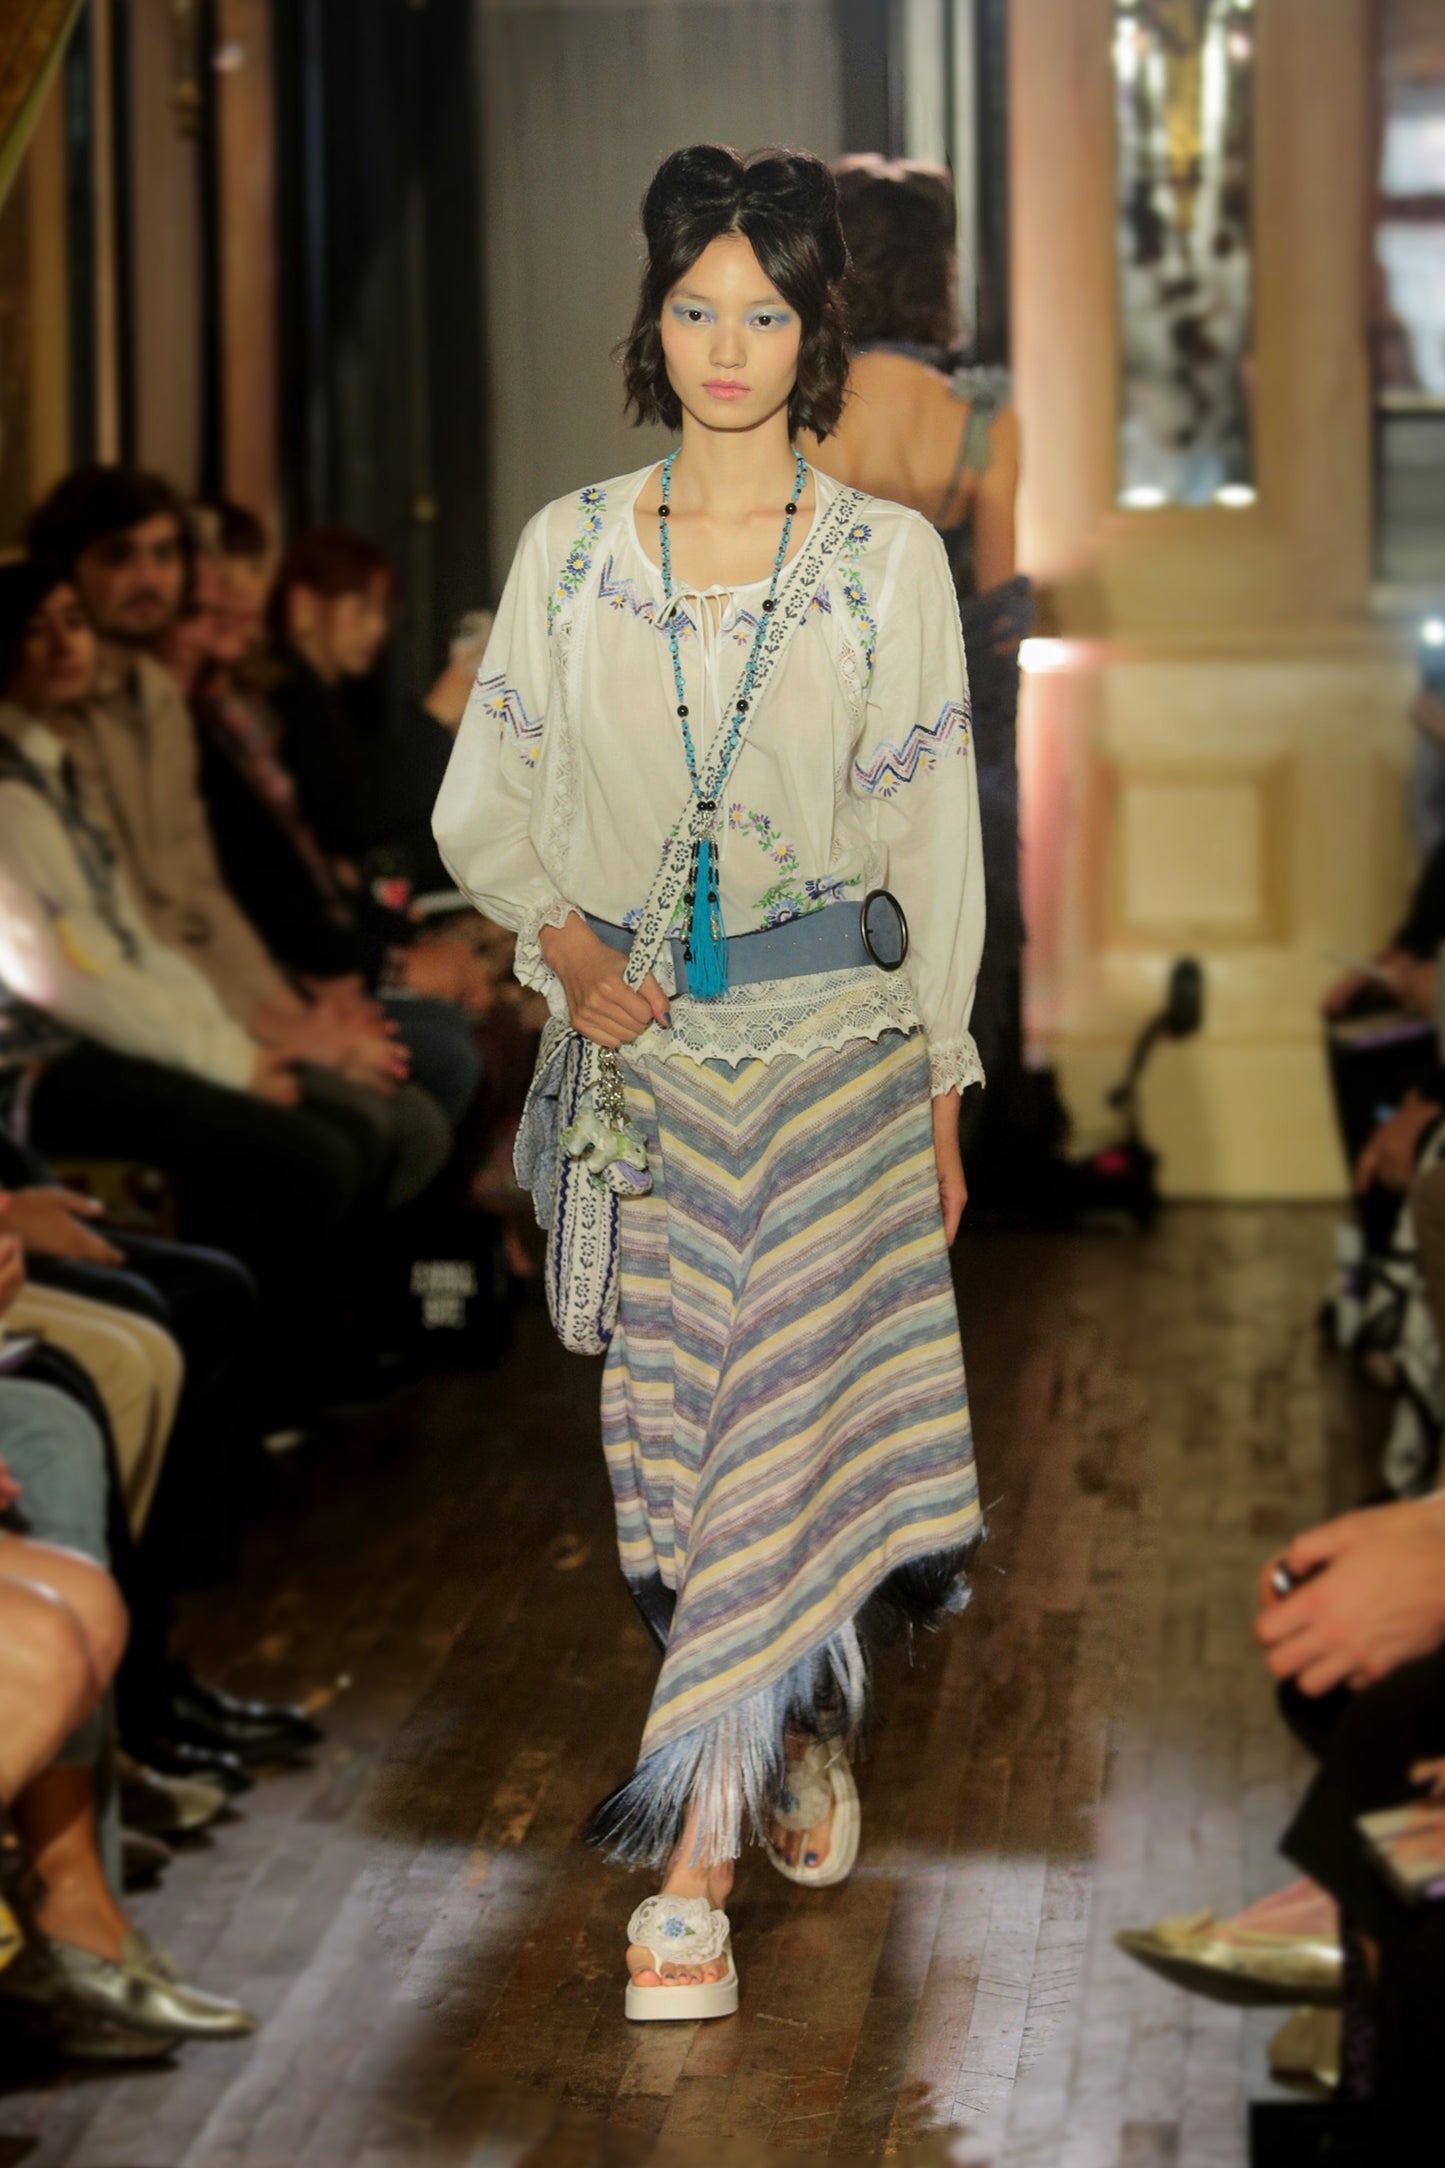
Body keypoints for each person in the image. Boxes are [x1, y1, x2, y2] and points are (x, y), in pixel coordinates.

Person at [434, 143, 984, 2020]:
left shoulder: (885, 559)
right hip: (645, 1076)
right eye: (695, 308)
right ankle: (805, 1717)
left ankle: (692, 1860)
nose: (727, 346)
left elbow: (934, 848)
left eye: (765, 312)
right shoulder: (572, 550)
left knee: (767, 1439)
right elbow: (488, 809)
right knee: (679, 1474)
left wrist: (943, 1094)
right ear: (650, 321)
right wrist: (571, 957)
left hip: (837, 1055)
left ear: (817, 331)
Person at [804, 155, 1031, 1142]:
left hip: (827, 714)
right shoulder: (980, 419)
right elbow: (999, 608)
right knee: (950, 942)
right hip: (951, 716)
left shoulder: (799, 413)